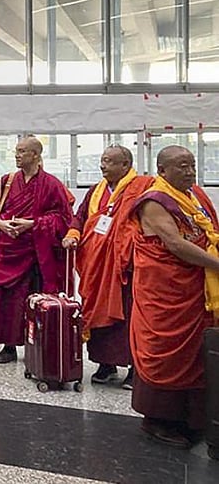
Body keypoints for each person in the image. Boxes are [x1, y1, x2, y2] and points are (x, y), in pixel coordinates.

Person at [127, 145, 219, 449]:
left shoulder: (195, 196)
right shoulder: (154, 201)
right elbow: (175, 245)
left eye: (192, 165)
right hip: (165, 293)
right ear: (162, 171)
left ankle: (189, 419)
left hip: (193, 291)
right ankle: (157, 421)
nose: (190, 171)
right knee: (166, 350)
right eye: (182, 166)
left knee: (194, 351)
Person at [62, 146, 152, 389]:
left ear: (126, 165)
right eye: (102, 161)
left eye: (109, 162)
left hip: (127, 266)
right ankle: (105, 363)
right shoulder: (95, 190)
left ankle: (135, 368)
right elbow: (79, 217)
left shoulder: (143, 187)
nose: (103, 166)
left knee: (130, 316)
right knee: (96, 310)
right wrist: (72, 234)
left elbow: (150, 220)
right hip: (97, 265)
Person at [0, 136, 72, 364]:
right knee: (7, 299)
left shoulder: (51, 184)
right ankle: (8, 346)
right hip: (9, 248)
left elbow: (64, 218)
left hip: (37, 252)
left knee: (35, 298)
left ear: (36, 155)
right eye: (16, 151)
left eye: (23, 151)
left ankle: (40, 346)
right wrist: (0, 223)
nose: (17, 155)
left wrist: (33, 224)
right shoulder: (7, 180)